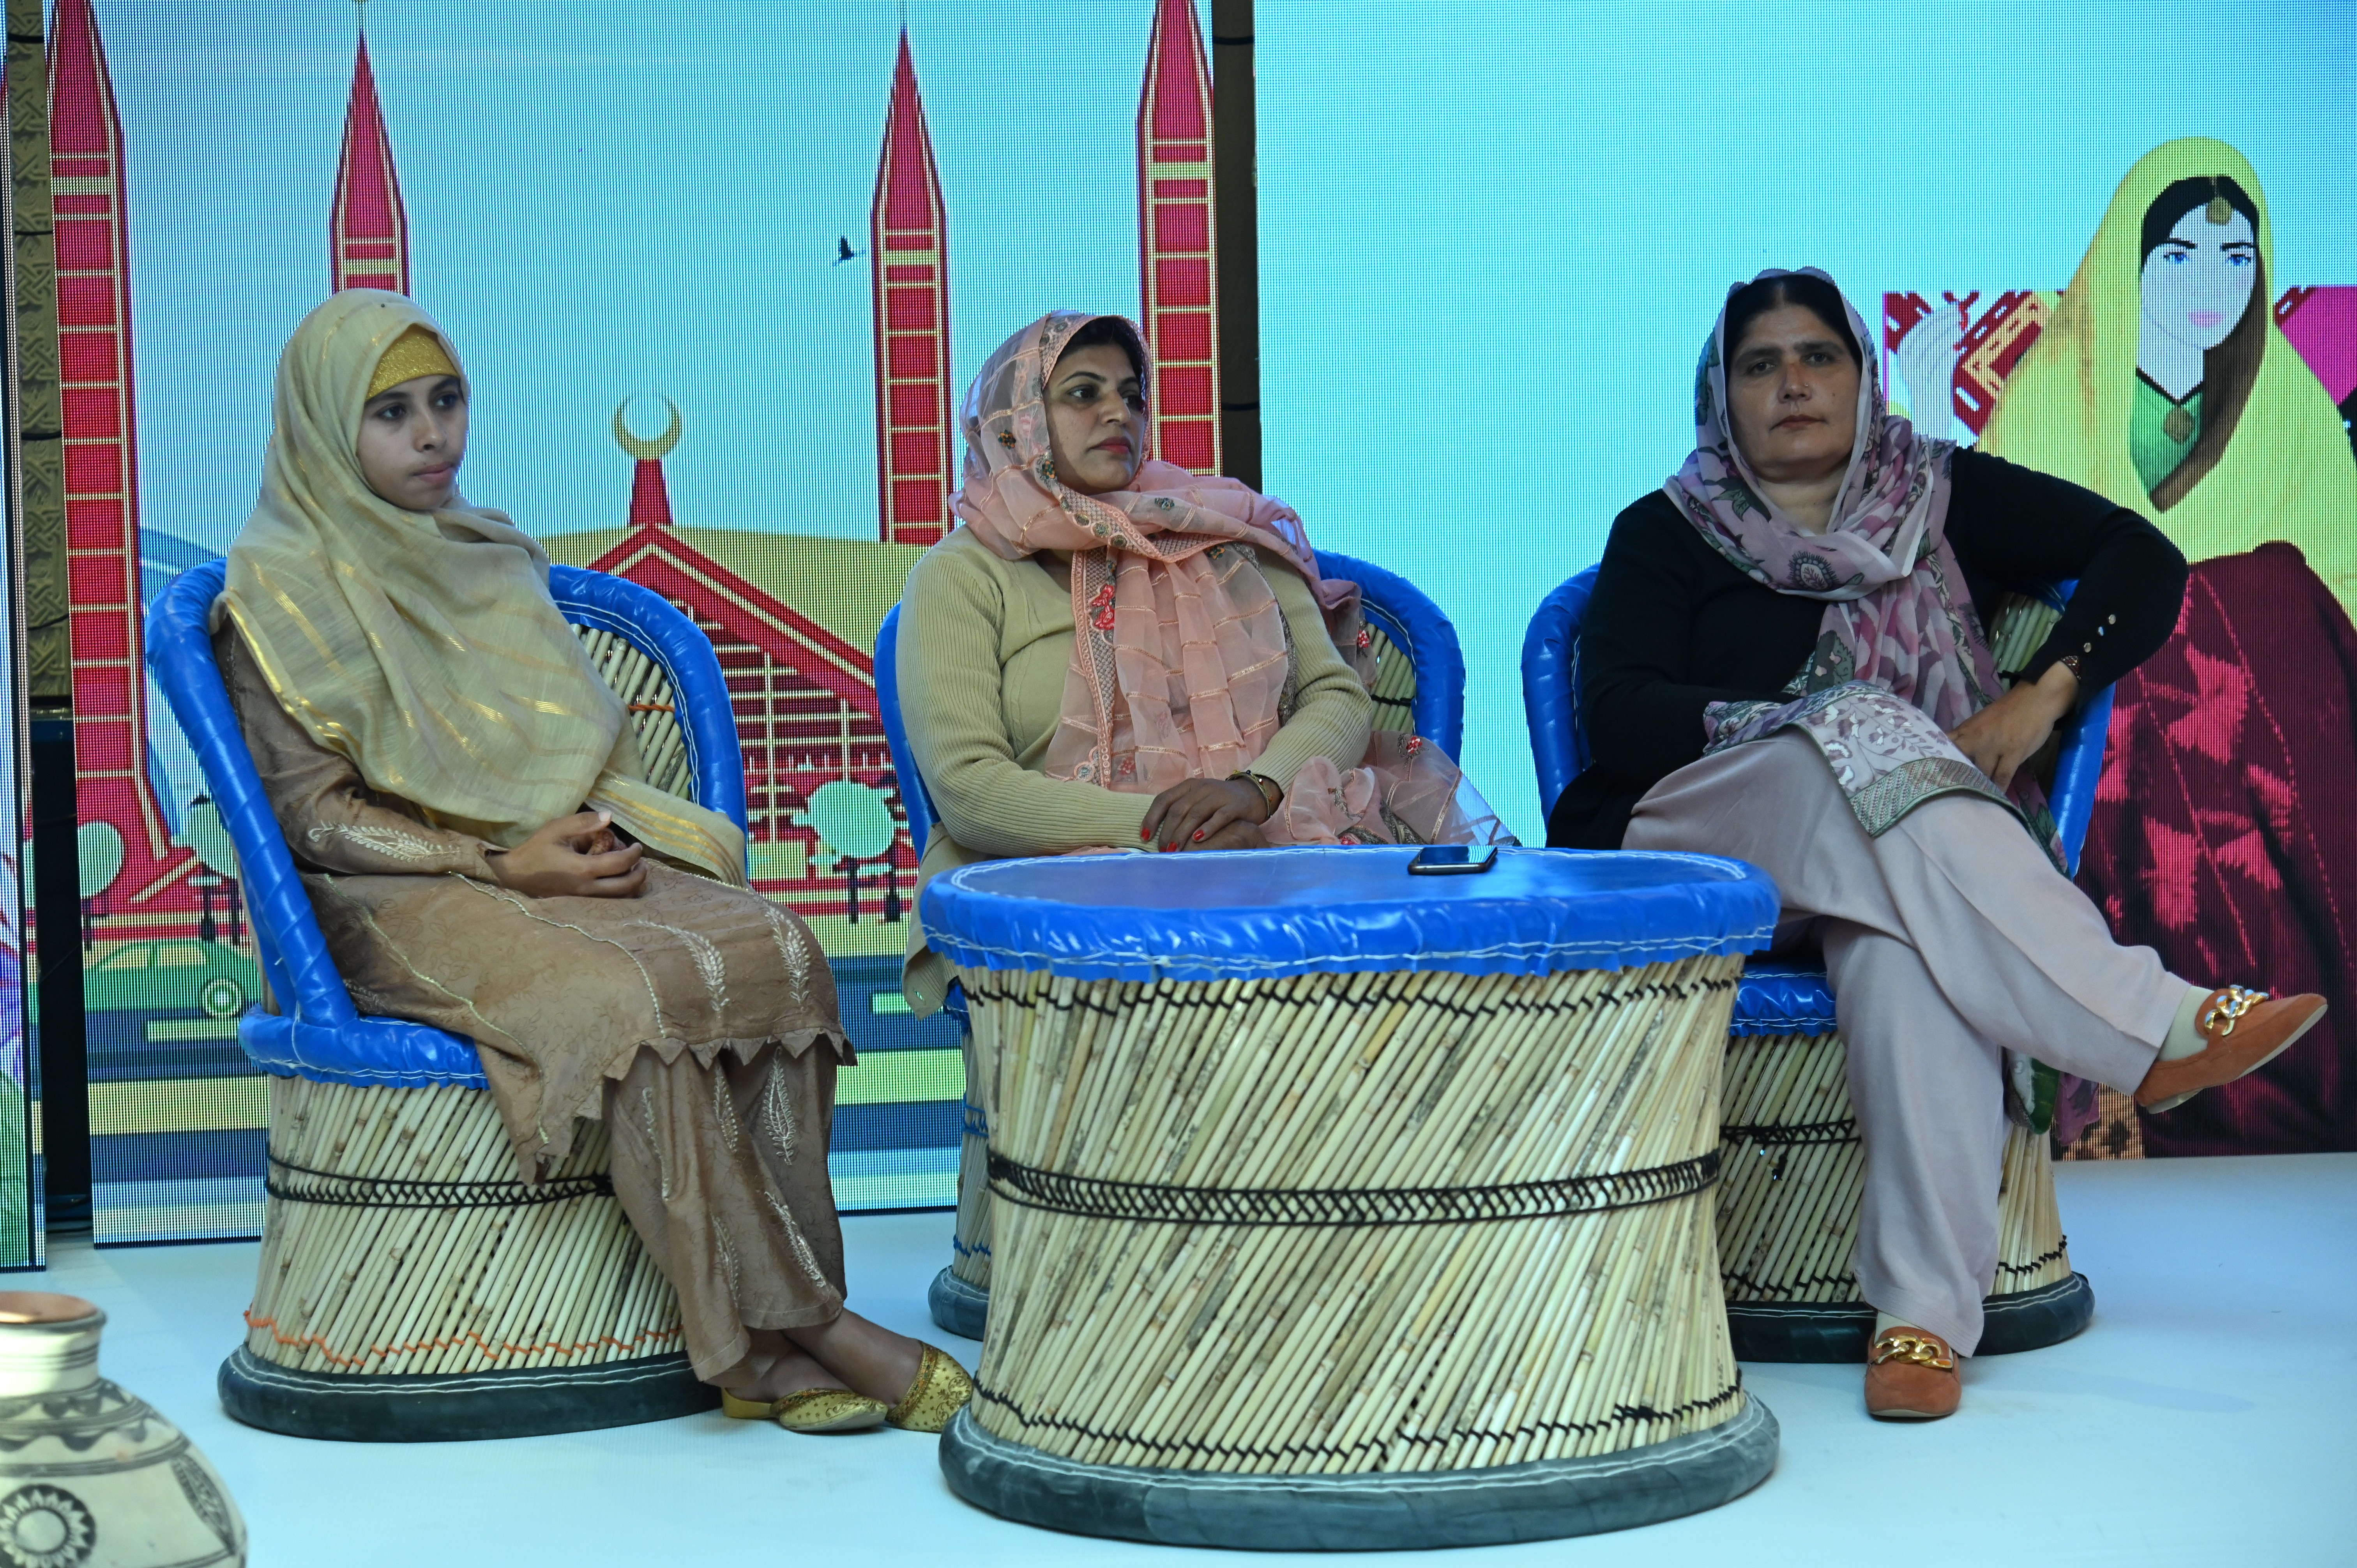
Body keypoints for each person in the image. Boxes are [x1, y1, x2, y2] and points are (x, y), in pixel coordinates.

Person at [1548, 267, 2325, 1421]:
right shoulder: (1667, 528)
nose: (1794, 383)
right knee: (1860, 726)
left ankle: (1918, 1321)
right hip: (1699, 840)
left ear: (1864, 375)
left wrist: (2042, 694)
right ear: (1722, 396)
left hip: (1888, 853)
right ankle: (2141, 1020)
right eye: (1761, 366)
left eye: (1819, 356)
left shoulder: (1937, 491)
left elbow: (2140, 561)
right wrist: (1804, 720)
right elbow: (1612, 710)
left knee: (1903, 948)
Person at [216, 290, 972, 1436]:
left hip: (553, 850)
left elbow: (549, 740)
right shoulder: (273, 597)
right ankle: (802, 1333)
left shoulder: (488, 552)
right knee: (623, 997)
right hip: (390, 893)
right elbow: (315, 819)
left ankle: (773, 1328)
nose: (433, 438)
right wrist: (499, 861)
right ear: (326, 429)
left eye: (447, 401)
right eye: (391, 414)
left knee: (774, 950)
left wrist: (551, 843)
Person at [896, 311, 1505, 1017]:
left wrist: (1258, 791)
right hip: (1064, 879)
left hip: (1271, 841)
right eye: (1083, 393)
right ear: (1018, 421)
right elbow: (970, 790)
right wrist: (1165, 837)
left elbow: (1337, 697)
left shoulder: (1212, 532)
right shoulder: (963, 574)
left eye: (1132, 396)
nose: (1116, 413)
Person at [1976, 138, 2357, 1157]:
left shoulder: (2297, 419)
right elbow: (2013, 616)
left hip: (2272, 752)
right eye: (2178, 256)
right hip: (2104, 730)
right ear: (2127, 266)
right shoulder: (2045, 410)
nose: (2210, 287)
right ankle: (2181, 1038)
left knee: (2269, 600)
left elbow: (2338, 622)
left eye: (2239, 262)